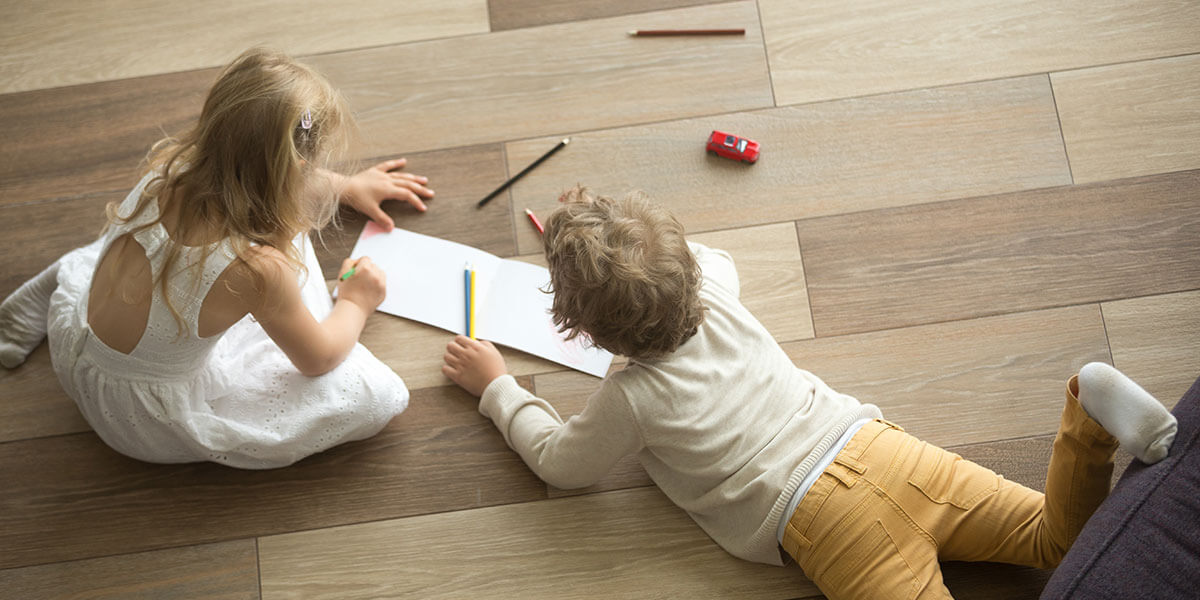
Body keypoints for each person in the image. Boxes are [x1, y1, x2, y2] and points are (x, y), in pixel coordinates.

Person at [441, 186, 1179, 599]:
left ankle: (1090, 419)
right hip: (885, 451)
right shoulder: (717, 289)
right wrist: (610, 232)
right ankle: (1088, 415)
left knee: (1045, 549)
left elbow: (560, 464)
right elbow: (702, 258)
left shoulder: (633, 399)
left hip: (824, 521)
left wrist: (499, 388)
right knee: (1058, 536)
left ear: (587, 333)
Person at [0, 48, 435, 469]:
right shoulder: (257, 269)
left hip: (79, 343)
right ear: (297, 168)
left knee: (131, 260)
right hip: (136, 417)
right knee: (377, 395)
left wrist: (344, 186)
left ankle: (53, 288)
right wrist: (356, 302)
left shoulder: (170, 170)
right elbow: (318, 359)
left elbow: (262, 170)